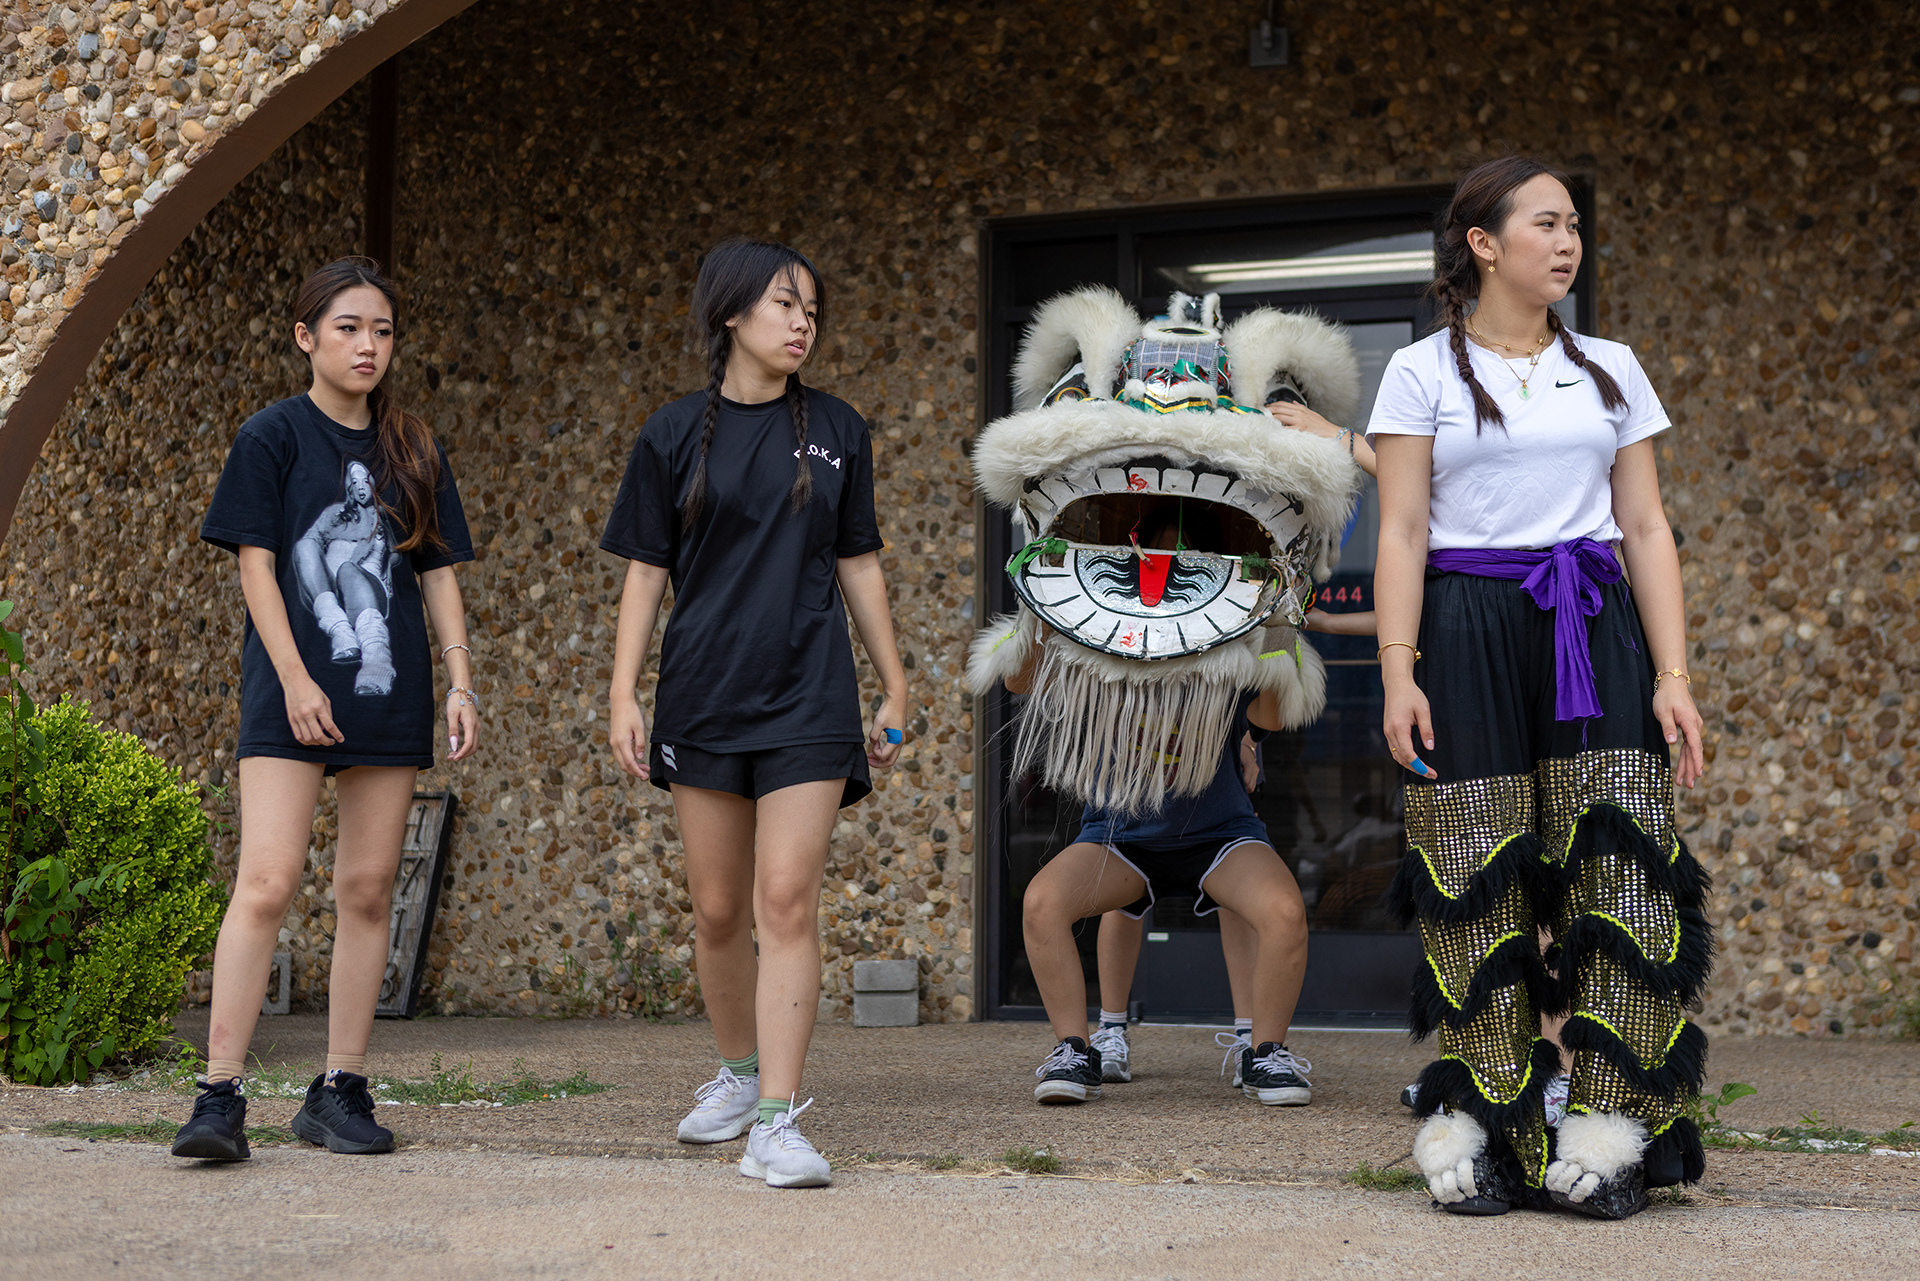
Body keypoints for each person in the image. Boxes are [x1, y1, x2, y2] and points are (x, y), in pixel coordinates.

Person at [1370, 157, 1709, 1220]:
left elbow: (1647, 527)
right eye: (1546, 224)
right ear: (1484, 242)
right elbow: (1403, 529)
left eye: (1573, 228)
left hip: (1591, 621)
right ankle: (1483, 1126)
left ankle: (1610, 1129)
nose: (1566, 244)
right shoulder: (1421, 371)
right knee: (1473, 874)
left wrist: (1674, 675)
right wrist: (1397, 670)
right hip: (1464, 623)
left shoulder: (1610, 366)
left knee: (1619, 872)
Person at [603, 238, 907, 1189]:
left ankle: (777, 1119)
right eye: (784, 304)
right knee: (719, 907)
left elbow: (859, 560)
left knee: (785, 901)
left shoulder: (840, 430)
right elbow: (646, 572)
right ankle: (737, 1074)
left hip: (810, 697)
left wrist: (895, 683)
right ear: (731, 314)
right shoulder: (669, 433)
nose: (803, 321)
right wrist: (623, 690)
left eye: (811, 307)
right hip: (701, 694)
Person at [174, 258, 478, 1162]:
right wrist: (299, 678)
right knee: (265, 882)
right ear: (306, 337)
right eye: (348, 327)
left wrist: (461, 679)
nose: (368, 346)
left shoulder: (413, 448)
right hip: (290, 690)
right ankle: (218, 1093)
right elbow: (257, 565)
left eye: (382, 330)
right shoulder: (271, 436)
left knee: (367, 888)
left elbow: (437, 569)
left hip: (388, 692)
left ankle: (340, 1087)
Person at [1013, 508, 1314, 1108]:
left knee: (1283, 912)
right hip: (1121, 839)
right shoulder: (1096, 638)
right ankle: (1078, 1048)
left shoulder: (1230, 641)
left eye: (1185, 560)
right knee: (1042, 904)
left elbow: (1272, 717)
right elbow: (1023, 682)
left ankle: (1267, 1054)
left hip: (1218, 834)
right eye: (1154, 556)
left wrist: (1281, 626)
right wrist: (1038, 607)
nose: (1167, 572)